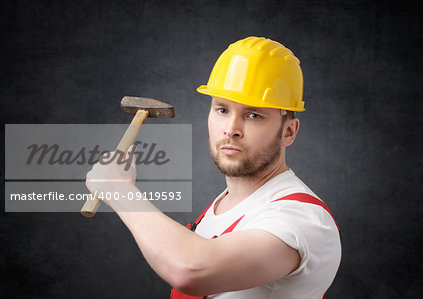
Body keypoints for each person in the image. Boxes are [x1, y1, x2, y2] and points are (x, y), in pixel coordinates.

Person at [86, 36, 341, 299]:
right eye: (222, 110)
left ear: (288, 132)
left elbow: (190, 270)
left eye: (253, 115)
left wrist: (120, 191)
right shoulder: (222, 207)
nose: (231, 129)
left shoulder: (302, 218)